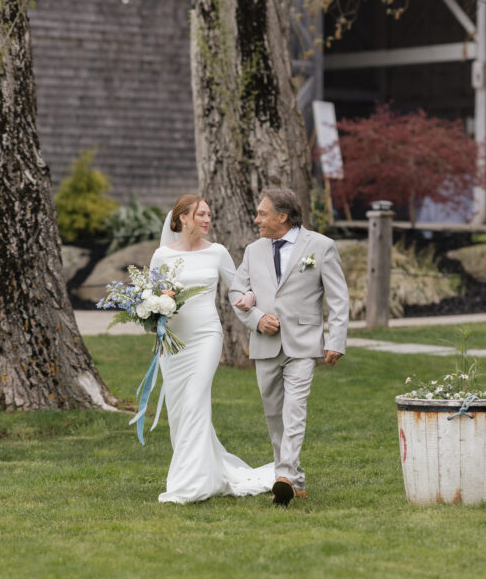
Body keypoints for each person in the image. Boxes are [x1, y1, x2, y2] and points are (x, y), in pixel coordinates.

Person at [149, 193, 275, 504]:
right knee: (179, 411)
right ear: (182, 219)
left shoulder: (217, 252)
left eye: (209, 214)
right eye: (201, 214)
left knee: (194, 402)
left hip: (206, 337)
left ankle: (187, 486)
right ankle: (205, 472)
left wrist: (250, 300)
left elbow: (239, 286)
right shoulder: (161, 255)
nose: (207, 219)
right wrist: (151, 314)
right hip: (172, 343)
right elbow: (152, 297)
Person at [230, 188, 349, 507]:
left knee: (295, 409)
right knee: (274, 414)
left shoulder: (321, 246)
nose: (256, 220)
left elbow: (338, 298)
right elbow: (236, 291)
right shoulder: (253, 250)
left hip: (304, 343)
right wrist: (256, 318)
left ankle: (282, 475)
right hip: (265, 343)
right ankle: (294, 479)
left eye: (262, 214)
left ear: (282, 216)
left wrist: (335, 340)